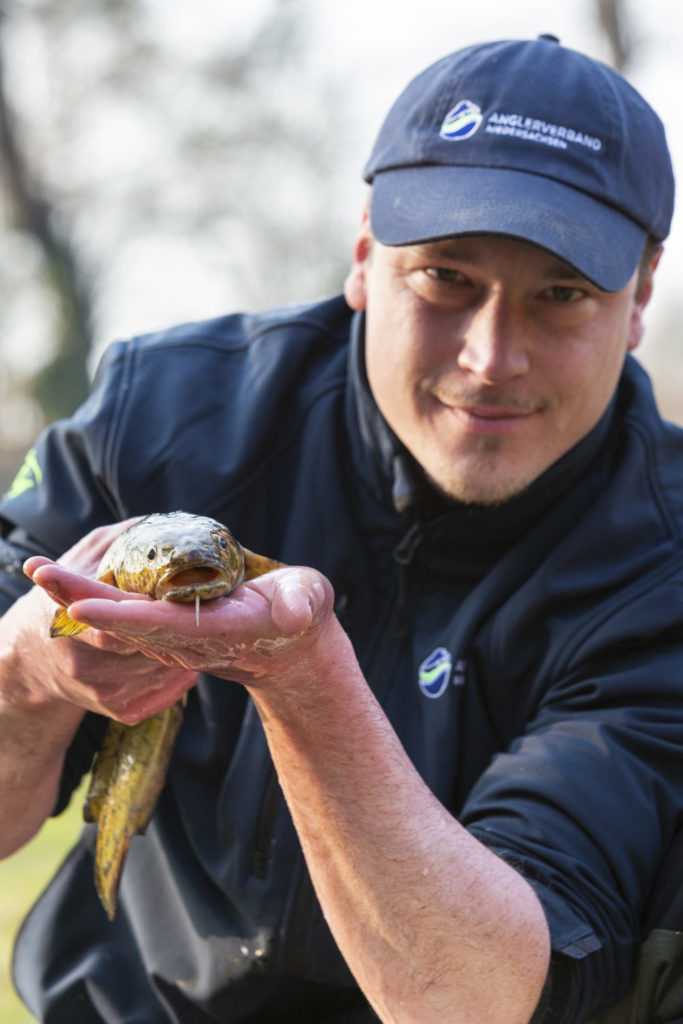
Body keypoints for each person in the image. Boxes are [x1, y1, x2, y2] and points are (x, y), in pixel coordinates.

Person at [0, 33, 681, 1024]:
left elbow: (480, 1001)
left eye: (560, 296)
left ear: (636, 303)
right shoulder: (159, 418)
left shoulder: (662, 568)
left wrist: (302, 680)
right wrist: (34, 667)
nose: (493, 358)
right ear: (364, 253)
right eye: (444, 277)